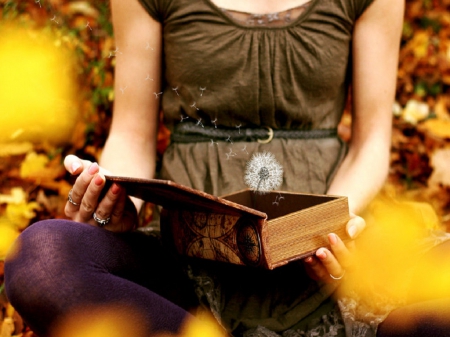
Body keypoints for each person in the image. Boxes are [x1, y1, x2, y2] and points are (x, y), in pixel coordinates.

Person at [5, 0, 450, 336]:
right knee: (41, 257)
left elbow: (372, 142)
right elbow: (132, 134)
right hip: (189, 270)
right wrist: (118, 200)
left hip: (342, 251)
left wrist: (330, 224)